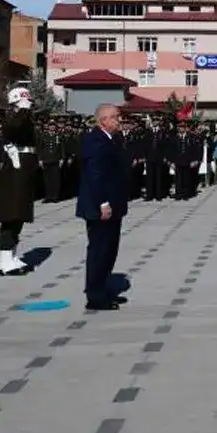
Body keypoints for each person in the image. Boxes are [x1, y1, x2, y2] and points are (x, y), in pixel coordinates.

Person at [77, 104, 129, 311]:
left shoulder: (113, 139)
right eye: (115, 117)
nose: (119, 120)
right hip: (101, 206)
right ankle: (95, 296)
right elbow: (95, 174)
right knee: (99, 251)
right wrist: (103, 202)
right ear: (103, 120)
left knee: (109, 251)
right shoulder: (94, 140)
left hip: (113, 204)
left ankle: (103, 289)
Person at [0, 87, 38, 277]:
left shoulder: (24, 118)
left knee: (19, 214)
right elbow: (15, 129)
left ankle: (11, 256)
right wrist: (23, 111)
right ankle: (4, 260)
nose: (28, 107)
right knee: (10, 215)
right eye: (24, 103)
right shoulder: (11, 118)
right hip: (13, 170)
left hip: (24, 169)